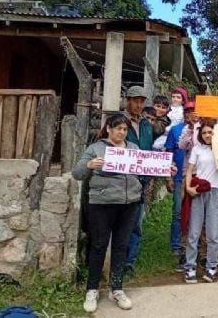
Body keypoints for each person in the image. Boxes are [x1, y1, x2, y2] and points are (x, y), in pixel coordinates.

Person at [74, 114, 142, 313]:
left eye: (124, 129)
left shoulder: (134, 149)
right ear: (108, 129)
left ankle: (117, 288)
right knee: (99, 245)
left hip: (129, 204)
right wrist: (88, 165)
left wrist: (166, 169)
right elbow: (77, 173)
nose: (121, 132)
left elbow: (146, 169)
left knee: (121, 246)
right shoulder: (95, 148)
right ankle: (92, 289)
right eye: (117, 128)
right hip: (102, 204)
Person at [122, 86, 161, 278]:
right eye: (135, 100)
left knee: (136, 222)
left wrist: (155, 173)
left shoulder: (146, 125)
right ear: (127, 100)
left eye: (141, 101)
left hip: (142, 180)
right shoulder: (119, 122)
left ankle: (130, 261)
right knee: (120, 221)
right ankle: (117, 259)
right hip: (122, 180)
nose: (138, 104)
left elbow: (151, 151)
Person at [183, 120, 218, 284]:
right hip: (199, 191)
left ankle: (212, 265)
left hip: (215, 191)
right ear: (201, 134)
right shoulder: (197, 150)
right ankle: (190, 266)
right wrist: (188, 188)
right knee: (194, 232)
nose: (208, 135)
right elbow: (190, 170)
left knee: (213, 234)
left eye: (210, 132)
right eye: (205, 132)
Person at [165, 100, 196, 271]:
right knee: (178, 212)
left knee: (194, 212)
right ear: (184, 113)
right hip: (179, 176)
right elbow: (168, 152)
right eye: (188, 111)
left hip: (196, 176)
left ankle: (193, 244)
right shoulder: (176, 130)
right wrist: (168, 177)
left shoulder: (202, 130)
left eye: (194, 111)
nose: (191, 114)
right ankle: (176, 246)